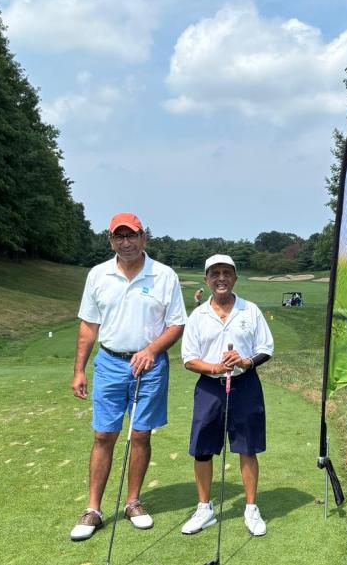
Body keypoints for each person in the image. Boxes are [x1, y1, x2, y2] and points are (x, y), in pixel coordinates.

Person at [69, 213, 187, 541]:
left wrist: (152, 350)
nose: (126, 242)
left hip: (150, 366)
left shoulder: (164, 275)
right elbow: (89, 326)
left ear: (143, 238)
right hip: (109, 362)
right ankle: (93, 509)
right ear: (111, 241)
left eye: (132, 235)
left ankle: (133, 502)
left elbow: (176, 323)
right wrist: (79, 369)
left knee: (141, 434)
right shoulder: (98, 274)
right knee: (103, 435)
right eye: (119, 237)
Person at [180, 254, 274, 537]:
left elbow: (266, 348)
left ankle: (251, 508)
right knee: (202, 449)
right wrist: (215, 368)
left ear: (235, 278)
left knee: (247, 447)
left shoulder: (250, 310)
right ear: (207, 279)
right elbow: (188, 359)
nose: (221, 278)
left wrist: (245, 362)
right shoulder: (198, 315)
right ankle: (204, 509)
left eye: (226, 273)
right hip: (210, 388)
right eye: (215, 273)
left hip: (245, 385)